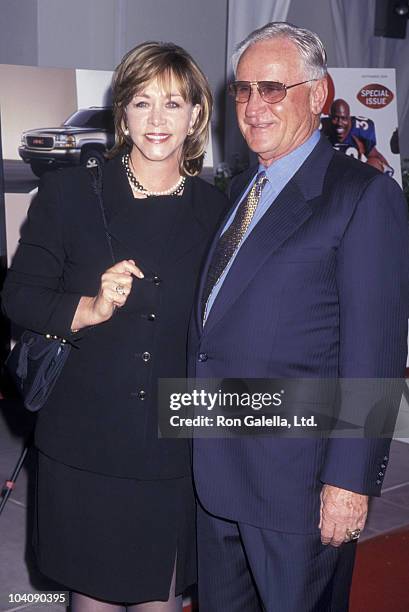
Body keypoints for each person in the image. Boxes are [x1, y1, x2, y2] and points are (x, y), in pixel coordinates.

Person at [189, 22, 409, 611]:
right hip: (218, 473)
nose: (254, 105)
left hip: (299, 489)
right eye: (243, 90)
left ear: (317, 95)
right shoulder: (242, 186)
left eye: (273, 88)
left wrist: (350, 481)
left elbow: (376, 352)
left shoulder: (363, 196)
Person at [2, 42, 227, 611]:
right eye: (142, 102)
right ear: (121, 111)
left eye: (173, 104)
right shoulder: (72, 193)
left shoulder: (218, 211)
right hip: (86, 439)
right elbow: (19, 296)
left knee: (161, 596)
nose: (157, 120)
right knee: (93, 598)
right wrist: (88, 308)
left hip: (174, 445)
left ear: (197, 114)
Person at [321, 98, 394, 175]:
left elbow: (374, 156)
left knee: (374, 163)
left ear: (349, 117)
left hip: (354, 178)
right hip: (328, 178)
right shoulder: (320, 129)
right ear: (329, 117)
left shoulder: (360, 130)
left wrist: (386, 169)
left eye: (343, 118)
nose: (339, 123)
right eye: (335, 118)